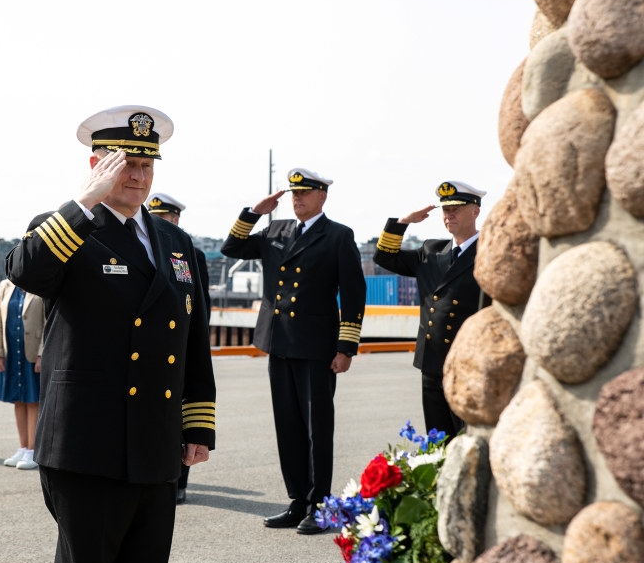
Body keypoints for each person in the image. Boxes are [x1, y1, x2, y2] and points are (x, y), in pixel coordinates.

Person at [6, 105, 216, 563]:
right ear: (98, 165)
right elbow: (26, 272)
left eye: (147, 166)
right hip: (87, 445)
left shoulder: (175, 241)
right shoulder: (68, 228)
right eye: (126, 164)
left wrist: (197, 426)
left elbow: (192, 339)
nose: (138, 177)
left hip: (155, 441)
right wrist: (82, 204)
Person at [221, 168, 366, 535]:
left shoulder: (337, 236)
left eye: (305, 193)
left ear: (322, 196)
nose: (297, 199)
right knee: (287, 426)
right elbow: (232, 248)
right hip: (279, 342)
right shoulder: (275, 230)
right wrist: (255, 211)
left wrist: (346, 346)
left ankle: (320, 505)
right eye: (293, 194)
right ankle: (297, 500)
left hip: (316, 348)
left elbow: (353, 294)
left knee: (318, 428)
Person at [372, 180, 488, 440]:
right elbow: (384, 257)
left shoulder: (488, 253)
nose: (450, 215)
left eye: (456, 209)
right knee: (438, 440)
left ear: (475, 211)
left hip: (467, 363)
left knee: (468, 439)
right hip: (431, 362)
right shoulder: (431, 251)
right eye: (446, 210)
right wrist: (403, 222)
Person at [147, 191, 210, 505]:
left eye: (165, 217)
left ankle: (180, 480)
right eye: (155, 216)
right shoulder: (140, 248)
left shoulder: (188, 252)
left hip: (180, 347)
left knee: (183, 418)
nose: (160, 222)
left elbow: (200, 308)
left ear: (176, 219)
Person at [0, 278, 45, 470]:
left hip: (32, 353)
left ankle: (33, 450)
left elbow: (48, 322)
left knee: (33, 401)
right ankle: (23, 447)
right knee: (18, 400)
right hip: (11, 352)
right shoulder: (6, 286)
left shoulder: (41, 283)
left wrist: (42, 354)